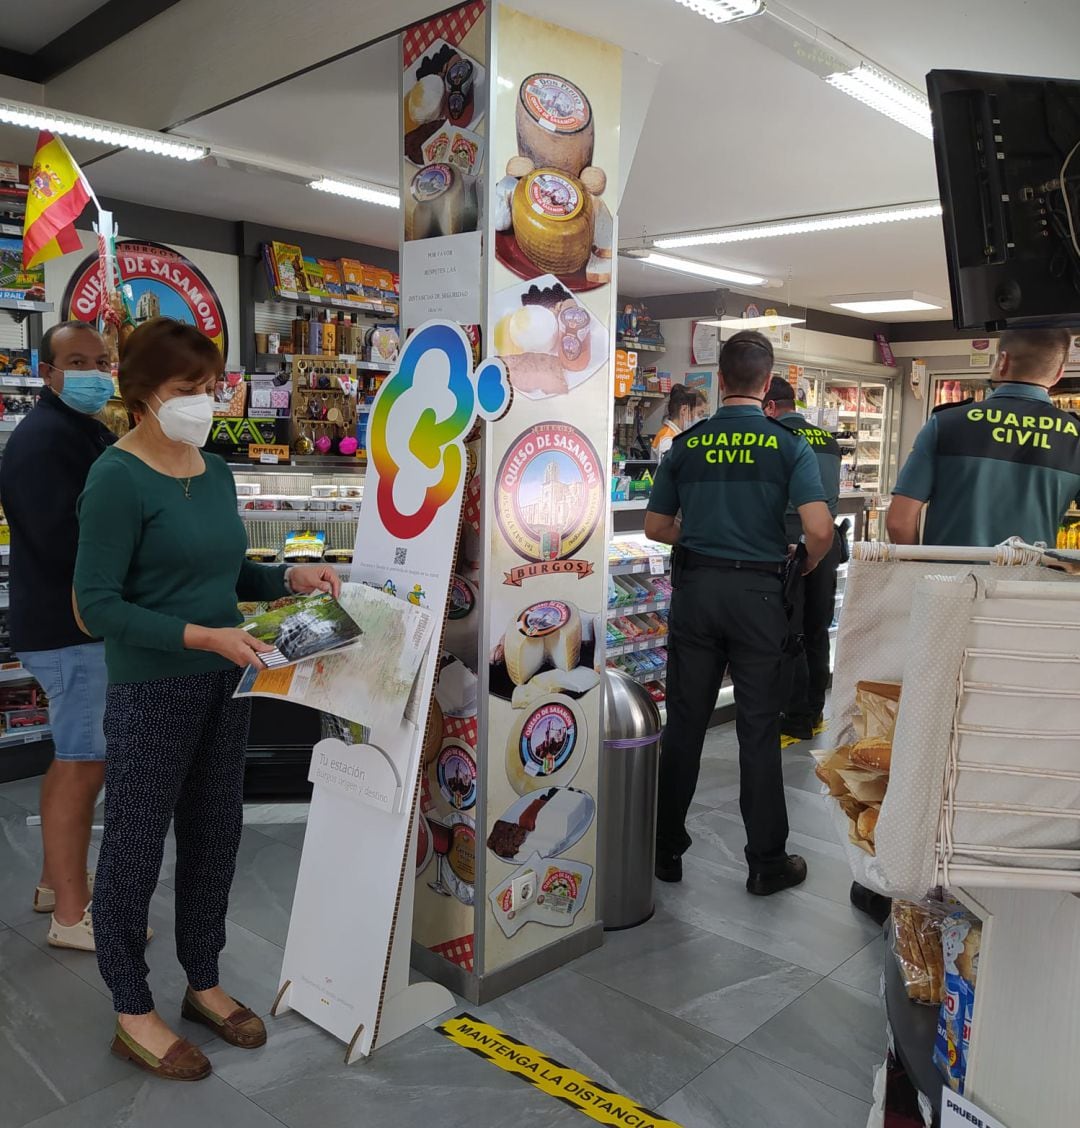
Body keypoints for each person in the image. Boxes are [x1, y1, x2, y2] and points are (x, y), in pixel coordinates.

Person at [74, 318, 340, 1082]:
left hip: (227, 682)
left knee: (215, 835)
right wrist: (203, 636)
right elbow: (96, 607)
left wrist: (286, 579)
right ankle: (132, 1006)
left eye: (211, 388)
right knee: (132, 848)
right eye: (189, 390)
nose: (206, 402)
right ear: (142, 395)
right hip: (154, 688)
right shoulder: (116, 479)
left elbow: (224, 579)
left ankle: (204, 978)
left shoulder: (213, 469)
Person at [646, 331, 835, 894]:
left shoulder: (687, 444)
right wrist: (801, 563)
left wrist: (697, 534)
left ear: (720, 380)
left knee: (683, 725)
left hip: (697, 592)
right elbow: (820, 530)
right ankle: (765, 862)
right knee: (757, 730)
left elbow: (656, 527)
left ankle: (664, 850)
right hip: (759, 598)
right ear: (768, 381)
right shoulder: (788, 445)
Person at [0, 322, 116, 950]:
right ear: (47, 372)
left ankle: (54, 881)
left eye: (101, 361)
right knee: (83, 764)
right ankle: (71, 917)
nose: (94, 372)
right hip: (71, 629)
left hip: (69, 626)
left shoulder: (75, 429)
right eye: (77, 361)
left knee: (71, 757)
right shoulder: (45, 441)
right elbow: (68, 543)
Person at [888, 328, 1079, 546]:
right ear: (1059, 373)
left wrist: (917, 572)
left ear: (1003, 361)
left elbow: (898, 522)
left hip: (948, 577)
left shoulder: (947, 423)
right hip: (1031, 578)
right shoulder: (1075, 437)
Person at [763, 376, 843, 741]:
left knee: (789, 633)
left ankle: (792, 721)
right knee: (816, 630)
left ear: (770, 407)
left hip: (789, 545)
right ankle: (815, 713)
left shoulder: (776, 440)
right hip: (825, 544)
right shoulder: (827, 440)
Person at [652, 384, 708, 459]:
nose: (700, 419)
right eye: (699, 414)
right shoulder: (668, 440)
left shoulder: (678, 436)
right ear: (684, 410)